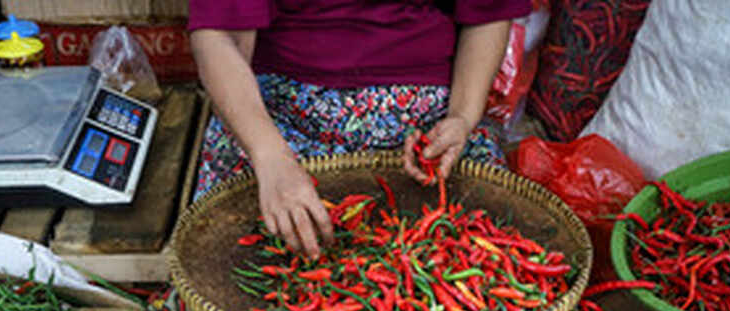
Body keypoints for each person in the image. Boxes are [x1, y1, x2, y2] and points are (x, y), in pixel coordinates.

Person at [188, 1, 529, 257]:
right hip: (281, 122)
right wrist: (270, 159)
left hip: (423, 129)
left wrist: (462, 117)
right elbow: (219, 36)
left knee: (479, 258)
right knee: (229, 258)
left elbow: (489, 12)